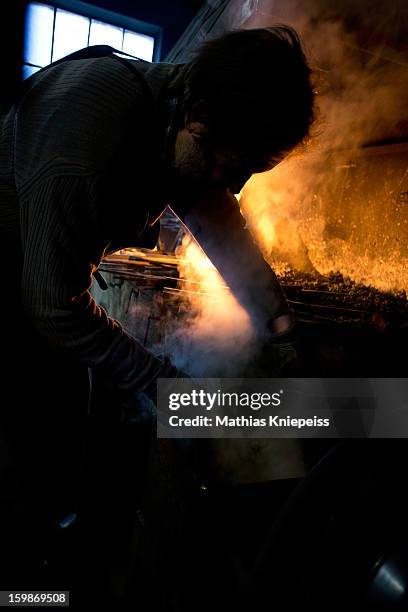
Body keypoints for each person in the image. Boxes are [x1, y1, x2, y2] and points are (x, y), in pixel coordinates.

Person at [0, 26, 314, 589]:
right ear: (195, 114)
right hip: (12, 288)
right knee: (33, 445)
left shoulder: (181, 121)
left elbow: (219, 220)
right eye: (228, 162)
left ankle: (59, 555)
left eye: (250, 170)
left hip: (43, 285)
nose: (235, 184)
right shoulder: (88, 139)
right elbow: (52, 307)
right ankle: (29, 587)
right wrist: (162, 380)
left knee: (66, 430)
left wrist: (280, 324)